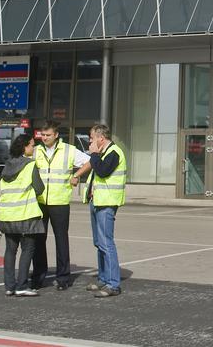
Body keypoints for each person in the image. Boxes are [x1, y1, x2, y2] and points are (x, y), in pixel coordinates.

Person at [31, 121, 92, 290]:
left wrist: (77, 175)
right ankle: (38, 276)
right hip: (40, 202)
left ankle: (63, 278)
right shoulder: (36, 151)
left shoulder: (68, 150)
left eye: (48, 135)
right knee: (38, 240)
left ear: (56, 135)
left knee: (61, 240)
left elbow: (90, 161)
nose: (44, 138)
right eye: (42, 135)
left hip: (60, 203)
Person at [0, 133, 45, 296]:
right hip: (26, 215)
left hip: (7, 215)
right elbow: (40, 188)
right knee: (28, 249)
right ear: (24, 147)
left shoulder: (6, 166)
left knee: (10, 250)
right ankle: (22, 286)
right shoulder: (30, 165)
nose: (34, 147)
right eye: (32, 145)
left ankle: (9, 286)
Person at [85, 122, 126, 298]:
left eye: (92, 138)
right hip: (97, 201)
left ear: (101, 138)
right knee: (99, 242)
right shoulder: (103, 153)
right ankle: (103, 278)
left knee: (106, 243)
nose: (90, 142)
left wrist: (94, 154)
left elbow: (102, 172)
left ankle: (113, 284)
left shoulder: (114, 152)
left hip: (107, 203)